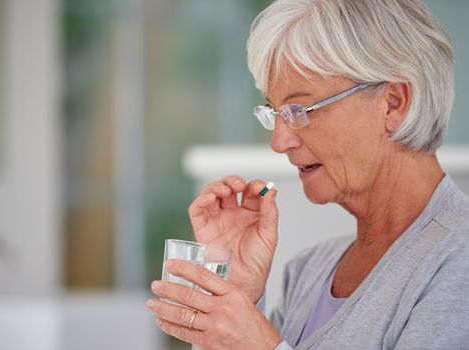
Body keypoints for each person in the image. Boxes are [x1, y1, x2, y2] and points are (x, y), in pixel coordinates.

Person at [147, 0, 469, 349]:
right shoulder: (308, 271)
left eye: (299, 110)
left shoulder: (457, 261)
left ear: (393, 103)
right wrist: (235, 295)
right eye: (275, 112)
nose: (279, 141)